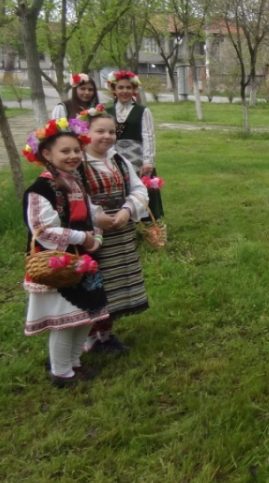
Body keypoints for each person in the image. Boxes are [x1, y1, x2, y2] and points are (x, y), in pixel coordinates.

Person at [21, 118, 108, 387]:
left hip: (83, 260)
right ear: (46, 154)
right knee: (65, 321)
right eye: (65, 151)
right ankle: (61, 372)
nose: (73, 156)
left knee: (86, 314)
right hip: (58, 264)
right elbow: (43, 230)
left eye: (76, 150)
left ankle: (74, 363)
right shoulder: (41, 189)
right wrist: (84, 238)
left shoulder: (74, 181)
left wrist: (97, 238)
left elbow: (91, 215)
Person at [77, 106, 150, 354]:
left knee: (114, 287)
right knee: (93, 287)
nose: (107, 137)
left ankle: (106, 336)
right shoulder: (78, 164)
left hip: (120, 233)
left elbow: (139, 189)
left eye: (111, 132)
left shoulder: (119, 160)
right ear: (86, 132)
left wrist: (126, 210)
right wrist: (96, 216)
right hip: (91, 238)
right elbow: (73, 197)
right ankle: (88, 340)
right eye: (100, 131)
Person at [107, 71, 164, 220]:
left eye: (128, 88)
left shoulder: (142, 111)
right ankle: (122, 220)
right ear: (114, 90)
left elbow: (148, 136)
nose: (124, 91)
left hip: (138, 159)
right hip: (116, 159)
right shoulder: (107, 112)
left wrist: (148, 161)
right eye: (120, 87)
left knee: (142, 190)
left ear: (134, 90)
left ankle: (149, 224)